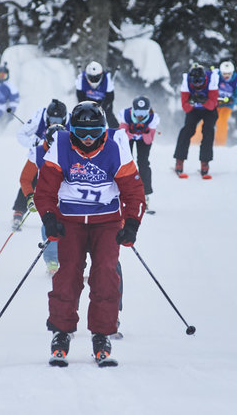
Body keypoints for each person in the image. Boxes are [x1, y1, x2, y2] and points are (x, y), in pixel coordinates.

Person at [34, 101, 145, 366]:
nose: (86, 140)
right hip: (70, 220)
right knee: (67, 273)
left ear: (103, 131)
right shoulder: (60, 146)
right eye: (81, 133)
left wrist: (131, 224)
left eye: (93, 133)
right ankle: (61, 332)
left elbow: (134, 192)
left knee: (106, 272)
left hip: (106, 221)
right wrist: (49, 219)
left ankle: (102, 333)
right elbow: (45, 191)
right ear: (71, 129)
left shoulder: (116, 147)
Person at [12, 99, 70, 229]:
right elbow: (21, 135)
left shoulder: (72, 123)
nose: (55, 122)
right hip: (41, 154)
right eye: (52, 119)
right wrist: (30, 196)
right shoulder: (38, 119)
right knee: (34, 178)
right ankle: (19, 210)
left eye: (59, 120)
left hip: (66, 157)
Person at [18, 123, 65, 273]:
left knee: (73, 229)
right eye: (52, 145)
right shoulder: (37, 153)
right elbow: (25, 178)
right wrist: (30, 196)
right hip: (47, 196)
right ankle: (52, 260)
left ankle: (72, 261)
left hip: (68, 196)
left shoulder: (73, 150)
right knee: (49, 226)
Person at [173, 63, 219, 178]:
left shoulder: (212, 79)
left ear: (205, 79)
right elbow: (185, 107)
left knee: (208, 130)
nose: (198, 85)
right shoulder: (186, 82)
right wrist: (191, 102)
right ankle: (179, 160)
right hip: (194, 109)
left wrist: (204, 101)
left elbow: (213, 105)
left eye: (200, 82)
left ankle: (205, 162)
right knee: (187, 130)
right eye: (195, 83)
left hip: (209, 109)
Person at [118, 96, 159, 208]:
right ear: (133, 110)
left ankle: (145, 194)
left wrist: (140, 134)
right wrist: (133, 134)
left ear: (148, 110)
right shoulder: (125, 114)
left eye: (143, 112)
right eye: (137, 112)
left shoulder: (153, 118)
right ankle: (125, 191)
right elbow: (122, 135)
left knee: (143, 163)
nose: (140, 115)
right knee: (126, 163)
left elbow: (149, 139)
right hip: (128, 138)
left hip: (143, 140)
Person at [75, 61, 118, 128]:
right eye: (91, 78)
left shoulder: (107, 80)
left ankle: (115, 130)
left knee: (108, 114)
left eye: (96, 78)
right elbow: (80, 96)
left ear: (101, 75)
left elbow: (110, 97)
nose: (94, 80)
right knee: (84, 114)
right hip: (88, 100)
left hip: (104, 100)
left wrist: (103, 108)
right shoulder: (81, 79)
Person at [213, 61, 237, 146]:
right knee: (207, 120)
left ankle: (219, 144)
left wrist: (232, 99)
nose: (226, 76)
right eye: (224, 74)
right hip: (216, 104)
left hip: (227, 105)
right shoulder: (216, 76)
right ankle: (195, 141)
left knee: (221, 121)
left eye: (228, 74)